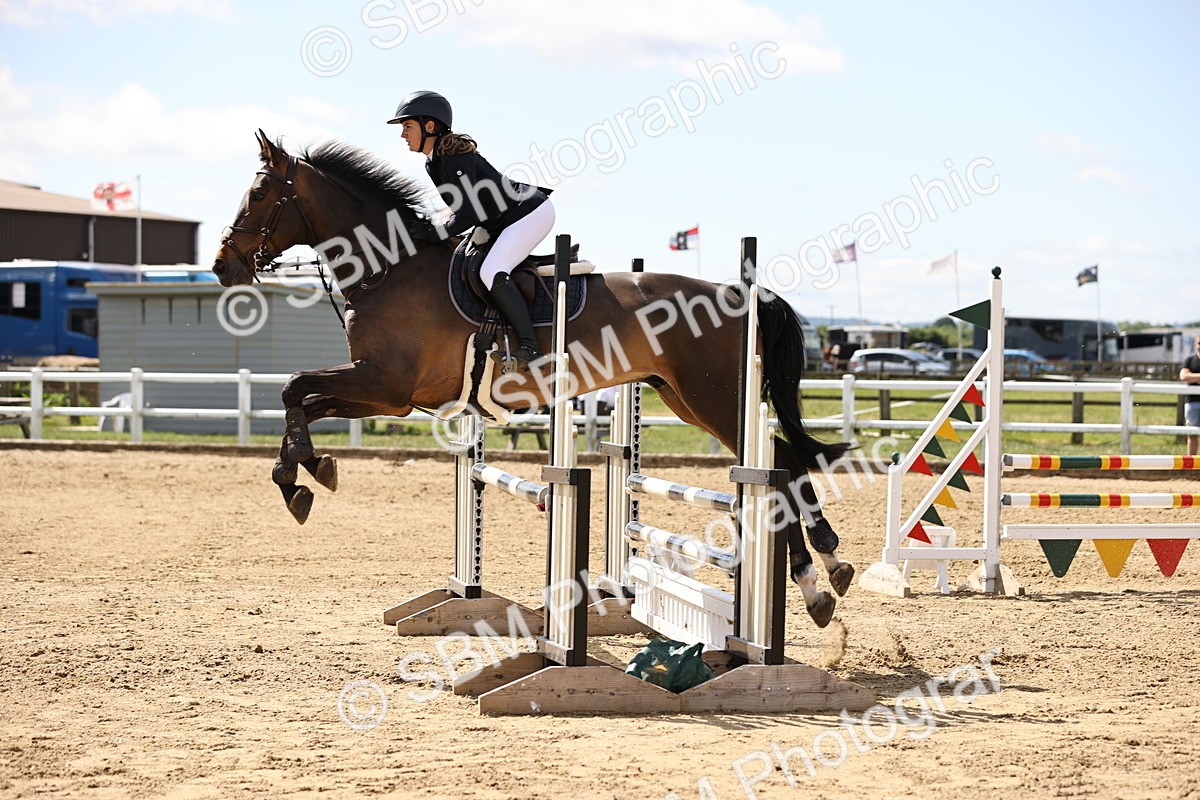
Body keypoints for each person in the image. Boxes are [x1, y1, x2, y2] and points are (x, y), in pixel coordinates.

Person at [388, 90, 554, 369]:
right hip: (504, 219)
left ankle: (530, 347)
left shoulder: (453, 158)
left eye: (407, 126)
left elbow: (469, 213)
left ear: (429, 126)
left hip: (529, 213)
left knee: (492, 270)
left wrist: (433, 233)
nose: (403, 134)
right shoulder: (436, 160)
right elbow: (463, 211)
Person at [1179, 337, 1200, 455]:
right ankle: (1191, 463)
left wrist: (1194, 377)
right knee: (1192, 433)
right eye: (1199, 343)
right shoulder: (1190, 360)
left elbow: (1188, 376)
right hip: (1192, 401)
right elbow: (1184, 377)